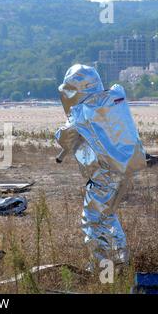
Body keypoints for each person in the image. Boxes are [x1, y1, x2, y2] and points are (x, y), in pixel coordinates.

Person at [55, 64, 146, 272]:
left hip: (104, 175)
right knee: (107, 215)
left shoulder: (82, 111)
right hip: (124, 170)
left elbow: (64, 137)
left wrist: (63, 132)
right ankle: (120, 260)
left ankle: (103, 268)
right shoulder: (114, 97)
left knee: (93, 219)